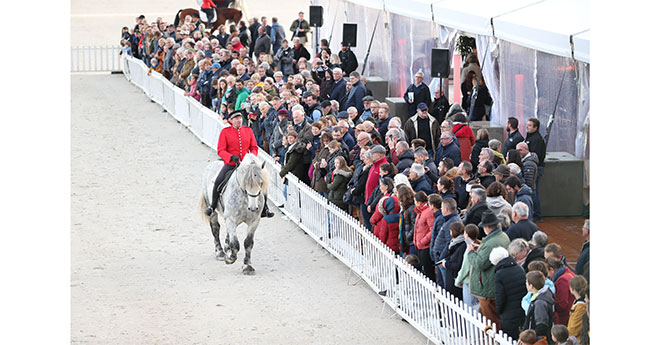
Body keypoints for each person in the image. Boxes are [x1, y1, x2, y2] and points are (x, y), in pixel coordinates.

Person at [206, 110, 259, 217]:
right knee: (218, 181)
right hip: (231, 164)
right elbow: (220, 150)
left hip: (246, 165)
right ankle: (212, 206)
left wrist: (250, 157)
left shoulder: (248, 130)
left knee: (259, 182)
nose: (239, 120)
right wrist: (230, 157)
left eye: (240, 118)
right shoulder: (225, 132)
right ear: (231, 121)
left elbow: (254, 147)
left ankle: (264, 208)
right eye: (236, 119)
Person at [466, 210, 511, 329]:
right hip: (491, 286)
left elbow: (480, 263)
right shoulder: (502, 236)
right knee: (485, 319)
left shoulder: (491, 242)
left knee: (491, 324)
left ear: (487, 226)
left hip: (487, 289)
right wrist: (480, 248)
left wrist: (470, 252)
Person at [490, 246, 527, 340]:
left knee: (509, 337)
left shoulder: (499, 274)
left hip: (508, 313)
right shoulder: (519, 268)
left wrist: (499, 311)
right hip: (522, 309)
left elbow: (500, 297)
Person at [431, 197, 461, 289]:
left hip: (443, 261)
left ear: (446, 209)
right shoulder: (448, 220)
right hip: (440, 259)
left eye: (442, 208)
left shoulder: (452, 222)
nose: (441, 210)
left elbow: (450, 243)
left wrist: (441, 258)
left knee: (445, 287)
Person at [370, 177, 401, 252]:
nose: (380, 188)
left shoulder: (385, 199)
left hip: (381, 225)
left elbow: (378, 213)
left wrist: (372, 220)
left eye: (381, 185)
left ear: (386, 186)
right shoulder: (394, 198)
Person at [454, 224, 481, 312]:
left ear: (466, 234)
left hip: (469, 282)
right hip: (478, 282)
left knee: (470, 309)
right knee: (477, 307)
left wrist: (457, 281)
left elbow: (465, 268)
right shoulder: (480, 245)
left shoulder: (469, 249)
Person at [523, 270, 555, 341]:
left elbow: (541, 325)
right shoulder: (540, 296)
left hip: (537, 339)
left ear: (531, 286)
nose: (525, 284)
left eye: (526, 282)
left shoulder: (539, 302)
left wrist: (530, 338)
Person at [524, 118, 546, 222]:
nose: (526, 127)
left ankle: (537, 215)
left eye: (529, 125)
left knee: (533, 191)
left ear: (535, 127)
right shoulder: (530, 137)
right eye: (527, 125)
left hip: (535, 168)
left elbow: (535, 155)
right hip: (532, 167)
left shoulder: (537, 140)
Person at [547, 256, 576, 326]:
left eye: (547, 272)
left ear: (552, 270)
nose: (547, 275)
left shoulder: (562, 280)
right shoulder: (568, 273)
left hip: (564, 320)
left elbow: (561, 304)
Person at [413, 191, 435, 281]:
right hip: (419, 245)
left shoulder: (428, 212)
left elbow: (432, 230)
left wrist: (422, 241)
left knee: (428, 270)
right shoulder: (420, 211)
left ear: (418, 202)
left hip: (425, 246)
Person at [443, 222, 467, 300]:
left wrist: (446, 264)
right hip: (451, 275)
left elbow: (459, 264)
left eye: (450, 231)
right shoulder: (454, 242)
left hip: (455, 277)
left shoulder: (463, 245)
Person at [567, 275, 588, 343]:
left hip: (577, 341)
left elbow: (574, 329)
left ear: (572, 289)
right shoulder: (578, 302)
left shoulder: (581, 306)